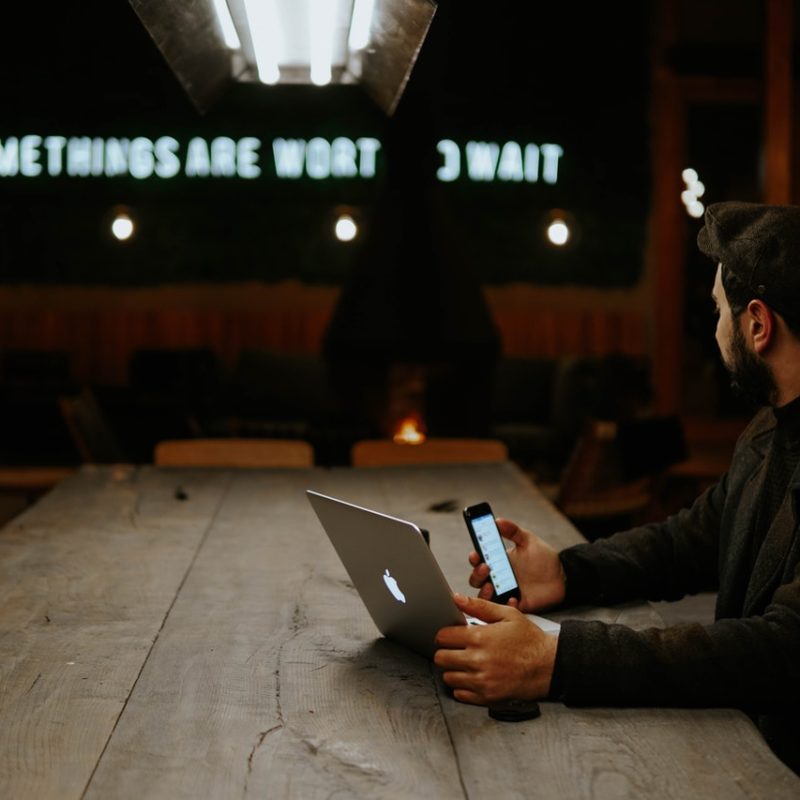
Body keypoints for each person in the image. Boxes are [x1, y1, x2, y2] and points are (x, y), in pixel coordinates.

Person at [434, 201, 800, 773]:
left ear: (758, 325)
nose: (714, 329)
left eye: (718, 312)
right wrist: (569, 571)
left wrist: (557, 659)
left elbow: (780, 651)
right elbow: (689, 541)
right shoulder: (769, 431)